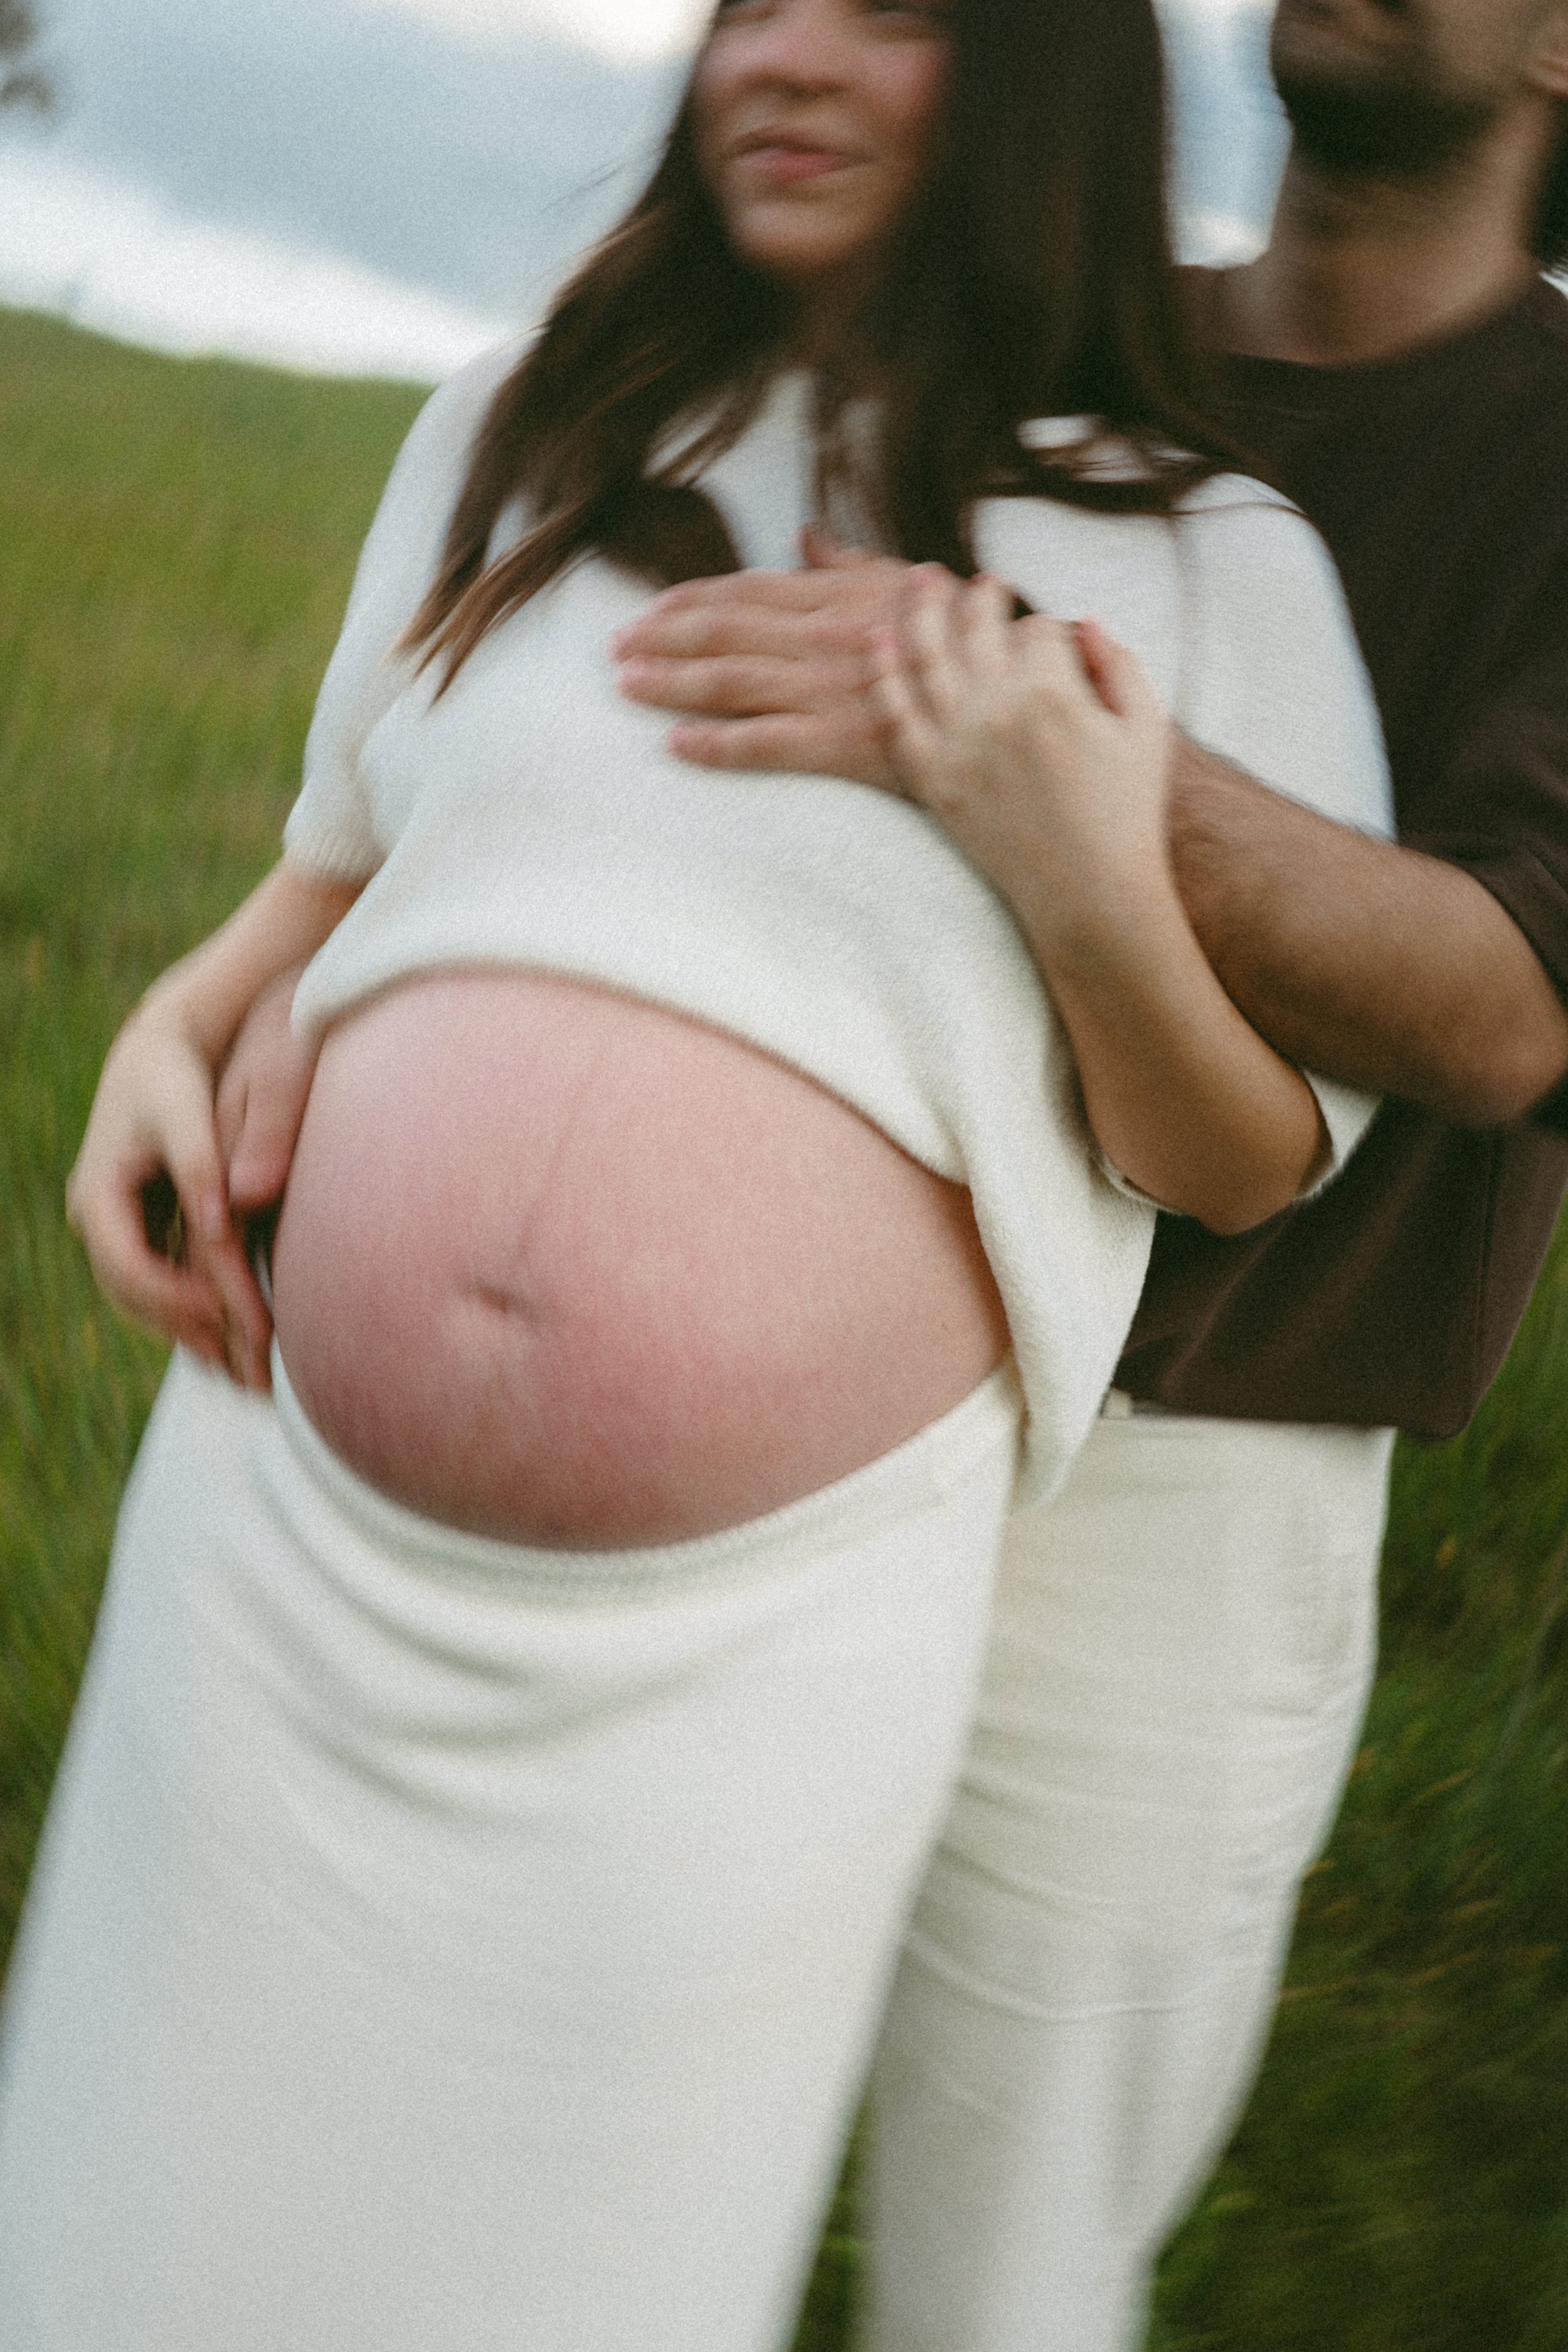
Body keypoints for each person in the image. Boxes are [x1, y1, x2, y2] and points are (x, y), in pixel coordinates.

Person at [0, 4, 1394, 2348]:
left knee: (566, 2279)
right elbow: (339, 866)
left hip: (749, 1645)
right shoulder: (526, 426)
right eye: (755, 1)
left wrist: (1071, 861)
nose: (787, 57)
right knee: (135, 2221)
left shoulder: (1204, 555)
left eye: (892, 15)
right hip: (280, 1556)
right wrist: (167, 1031)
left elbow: (1238, 1160)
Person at [600, 0, 1568, 2344]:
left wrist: (1011, 709)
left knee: (1005, 2275)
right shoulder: (1070, 341)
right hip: (800, 1394)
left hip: (1195, 1473)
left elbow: (1505, 1003)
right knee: (602, 2154)